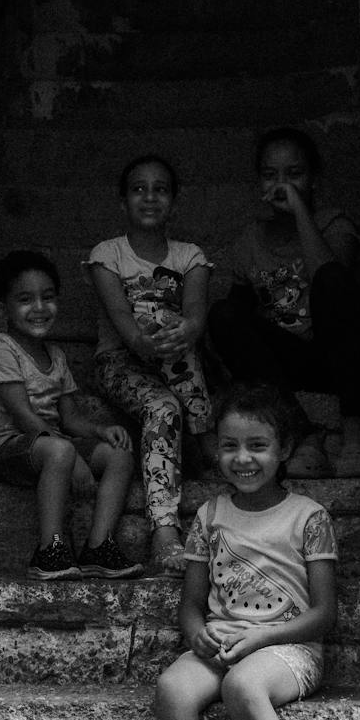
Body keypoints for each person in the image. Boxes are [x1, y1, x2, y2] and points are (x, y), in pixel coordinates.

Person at [154, 382, 357, 720]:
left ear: (284, 450)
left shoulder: (307, 516)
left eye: (257, 445)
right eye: (229, 445)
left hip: (287, 648)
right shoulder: (210, 514)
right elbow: (192, 605)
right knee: (173, 689)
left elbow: (323, 613)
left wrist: (262, 638)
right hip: (222, 643)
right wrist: (198, 633)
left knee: (244, 685)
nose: (242, 458)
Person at [207, 126, 360, 478]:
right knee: (223, 314)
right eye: (271, 176)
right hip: (287, 363)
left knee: (332, 279)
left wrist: (300, 211)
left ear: (313, 179)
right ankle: (303, 433)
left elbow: (333, 282)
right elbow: (237, 324)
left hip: (339, 354)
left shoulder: (334, 225)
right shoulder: (251, 239)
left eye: (294, 174)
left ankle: (356, 435)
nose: (282, 186)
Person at [0, 249, 140, 580]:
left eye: (47, 297)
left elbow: (69, 419)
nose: (39, 308)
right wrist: (74, 459)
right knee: (61, 450)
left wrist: (100, 431)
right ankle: (49, 549)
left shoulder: (56, 355)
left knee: (119, 454)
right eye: (25, 299)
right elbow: (24, 417)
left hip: (51, 447)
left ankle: (98, 547)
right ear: (2, 308)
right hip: (6, 449)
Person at [85, 154, 212, 574]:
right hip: (119, 362)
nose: (150, 197)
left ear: (173, 201)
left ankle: (198, 437)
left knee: (181, 335)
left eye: (160, 189)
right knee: (163, 406)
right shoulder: (108, 255)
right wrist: (158, 333)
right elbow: (126, 327)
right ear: (123, 201)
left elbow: (196, 316)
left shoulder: (190, 256)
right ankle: (164, 531)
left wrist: (182, 330)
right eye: (139, 189)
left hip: (176, 358)